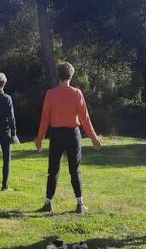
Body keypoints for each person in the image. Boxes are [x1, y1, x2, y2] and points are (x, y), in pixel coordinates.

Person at [35, 62, 102, 214]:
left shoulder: (50, 94)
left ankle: (48, 203)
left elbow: (45, 119)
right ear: (71, 76)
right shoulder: (77, 93)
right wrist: (94, 138)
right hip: (73, 134)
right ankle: (80, 204)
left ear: (58, 76)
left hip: (56, 135)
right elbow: (85, 119)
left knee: (53, 170)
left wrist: (39, 139)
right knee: (75, 170)